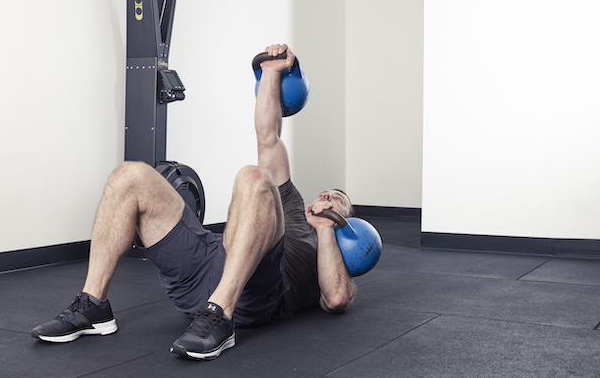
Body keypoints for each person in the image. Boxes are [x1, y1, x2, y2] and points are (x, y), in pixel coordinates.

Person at [31, 44, 357, 360]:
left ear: (349, 222)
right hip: (203, 267)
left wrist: (327, 229)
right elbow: (268, 138)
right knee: (128, 176)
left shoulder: (334, 255)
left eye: (340, 200)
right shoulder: (291, 205)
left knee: (253, 178)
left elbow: (336, 298)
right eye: (327, 193)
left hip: (251, 293)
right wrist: (271, 73)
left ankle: (220, 314)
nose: (330, 196)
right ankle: (93, 303)